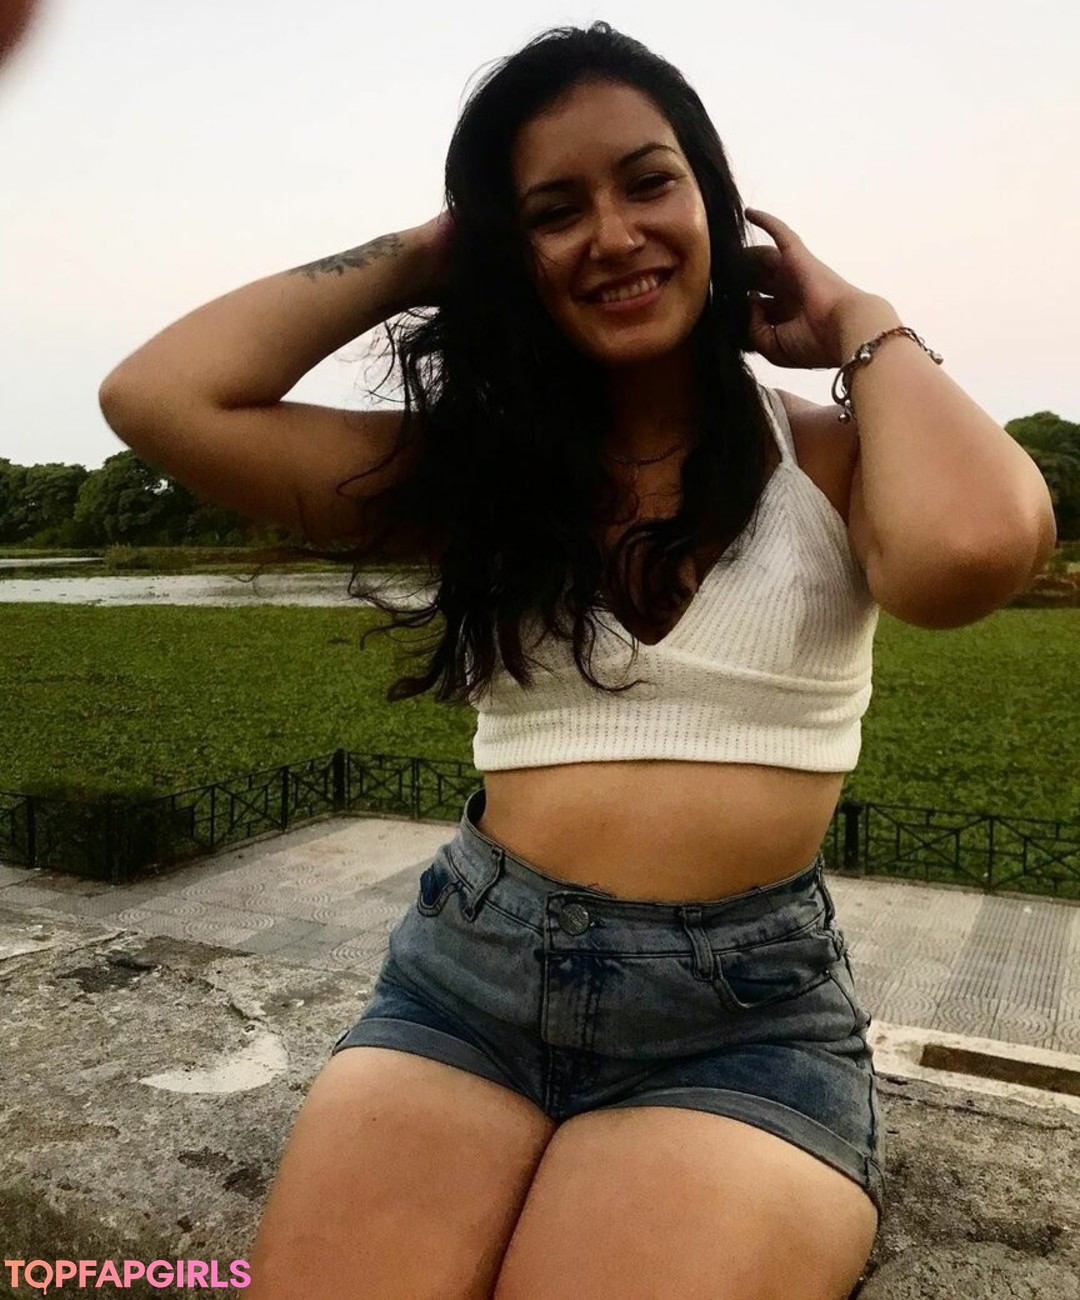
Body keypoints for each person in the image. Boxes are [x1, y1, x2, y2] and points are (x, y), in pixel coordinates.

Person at [98, 22, 1056, 1300]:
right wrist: (435, 249)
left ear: (716, 205)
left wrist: (861, 321)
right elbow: (160, 397)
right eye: (555, 211)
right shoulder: (472, 480)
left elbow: (973, 549)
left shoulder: (825, 455)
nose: (612, 234)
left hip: (740, 1024)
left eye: (648, 183)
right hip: (465, 987)